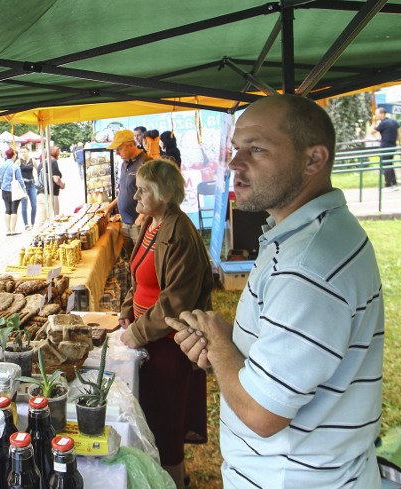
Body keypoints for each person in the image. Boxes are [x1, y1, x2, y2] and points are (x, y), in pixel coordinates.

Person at [167, 95, 384, 488]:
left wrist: (218, 344)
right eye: (236, 149)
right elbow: (294, 345)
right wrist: (230, 346)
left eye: (257, 149)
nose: (235, 163)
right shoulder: (309, 235)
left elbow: (262, 413)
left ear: (313, 160)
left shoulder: (308, 265)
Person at [118, 159, 211, 489]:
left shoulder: (179, 233)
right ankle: (170, 476)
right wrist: (127, 310)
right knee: (155, 419)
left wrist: (137, 331)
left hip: (169, 344)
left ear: (164, 193)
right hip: (150, 338)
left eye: (143, 188)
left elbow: (174, 302)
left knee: (167, 423)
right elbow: (138, 275)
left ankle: (175, 480)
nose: (136, 193)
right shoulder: (151, 223)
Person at [102, 129, 150, 258]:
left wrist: (141, 218)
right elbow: (124, 191)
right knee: (131, 260)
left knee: (143, 259)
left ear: (131, 145)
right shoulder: (124, 164)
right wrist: (110, 206)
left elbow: (153, 194)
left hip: (139, 223)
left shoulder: (146, 162)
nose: (117, 153)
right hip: (125, 222)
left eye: (119, 148)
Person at [0, 147, 26, 236]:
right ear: (14, 155)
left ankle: (8, 230)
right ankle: (13, 230)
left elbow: (0, 178)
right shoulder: (15, 166)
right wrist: (24, 190)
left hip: (4, 190)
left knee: (7, 209)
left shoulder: (1, 166)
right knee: (14, 210)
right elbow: (20, 180)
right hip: (14, 190)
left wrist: (1, 186)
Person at [373, 107, 400, 190]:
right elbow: (399, 134)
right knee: (390, 164)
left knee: (386, 165)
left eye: (376, 114)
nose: (375, 115)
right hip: (393, 145)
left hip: (385, 146)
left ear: (381, 114)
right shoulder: (394, 122)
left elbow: (371, 131)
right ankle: (394, 183)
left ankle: (388, 184)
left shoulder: (383, 123)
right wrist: (400, 145)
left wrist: (374, 121)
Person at [16, 146, 38, 230]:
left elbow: (39, 169)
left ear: (28, 152)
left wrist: (39, 180)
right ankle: (26, 224)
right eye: (22, 152)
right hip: (23, 186)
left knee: (34, 205)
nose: (23, 153)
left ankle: (33, 223)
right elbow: (14, 171)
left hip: (31, 183)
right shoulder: (19, 161)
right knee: (24, 206)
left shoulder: (33, 160)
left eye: (24, 151)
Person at [38, 146, 65, 216]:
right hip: (51, 194)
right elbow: (56, 179)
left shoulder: (41, 164)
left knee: (41, 220)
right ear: (55, 153)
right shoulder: (53, 162)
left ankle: (36, 227)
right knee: (55, 218)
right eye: (58, 152)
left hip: (40, 194)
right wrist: (62, 184)